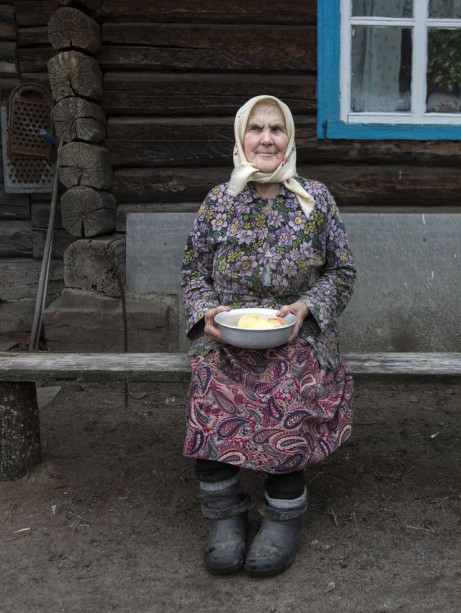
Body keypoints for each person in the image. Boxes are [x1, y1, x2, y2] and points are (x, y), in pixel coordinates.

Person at [180, 95, 356, 578]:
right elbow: (193, 271)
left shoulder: (315, 200)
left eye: (276, 129)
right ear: (241, 138)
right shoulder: (219, 201)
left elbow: (342, 272)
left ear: (289, 138)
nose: (266, 138)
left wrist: (307, 307)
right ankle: (225, 517)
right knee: (210, 387)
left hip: (296, 335)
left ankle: (282, 518)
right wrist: (206, 312)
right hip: (226, 338)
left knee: (288, 390)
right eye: (255, 129)